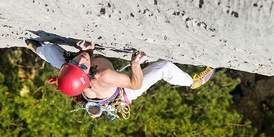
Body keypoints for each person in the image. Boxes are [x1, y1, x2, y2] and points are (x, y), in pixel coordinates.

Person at [26, 39, 215, 119]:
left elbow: (81, 63)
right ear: (88, 72)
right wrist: (135, 64)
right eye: (83, 63)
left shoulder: (74, 67)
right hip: (123, 93)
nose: (82, 59)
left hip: (84, 86)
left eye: (77, 61)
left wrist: (88, 51)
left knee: (51, 50)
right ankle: (192, 82)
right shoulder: (104, 75)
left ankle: (37, 49)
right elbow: (136, 83)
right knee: (164, 67)